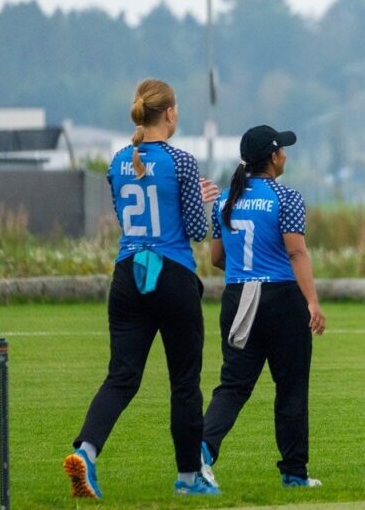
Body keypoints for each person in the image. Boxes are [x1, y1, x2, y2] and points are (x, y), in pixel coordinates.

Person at [64, 78, 221, 498]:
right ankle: (189, 478)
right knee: (184, 382)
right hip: (171, 273)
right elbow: (195, 230)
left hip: (129, 273)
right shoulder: (182, 162)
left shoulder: (118, 161)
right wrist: (199, 200)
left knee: (121, 377)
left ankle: (87, 451)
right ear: (168, 112)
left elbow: (125, 215)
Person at [200, 125, 326, 489]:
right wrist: (312, 302)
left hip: (239, 298)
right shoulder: (286, 198)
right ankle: (293, 472)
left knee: (234, 385)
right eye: (282, 150)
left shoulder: (225, 199)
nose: (285, 154)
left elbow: (217, 258)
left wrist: (247, 269)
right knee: (290, 387)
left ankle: (203, 448)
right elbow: (296, 251)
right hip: (282, 300)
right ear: (272, 157)